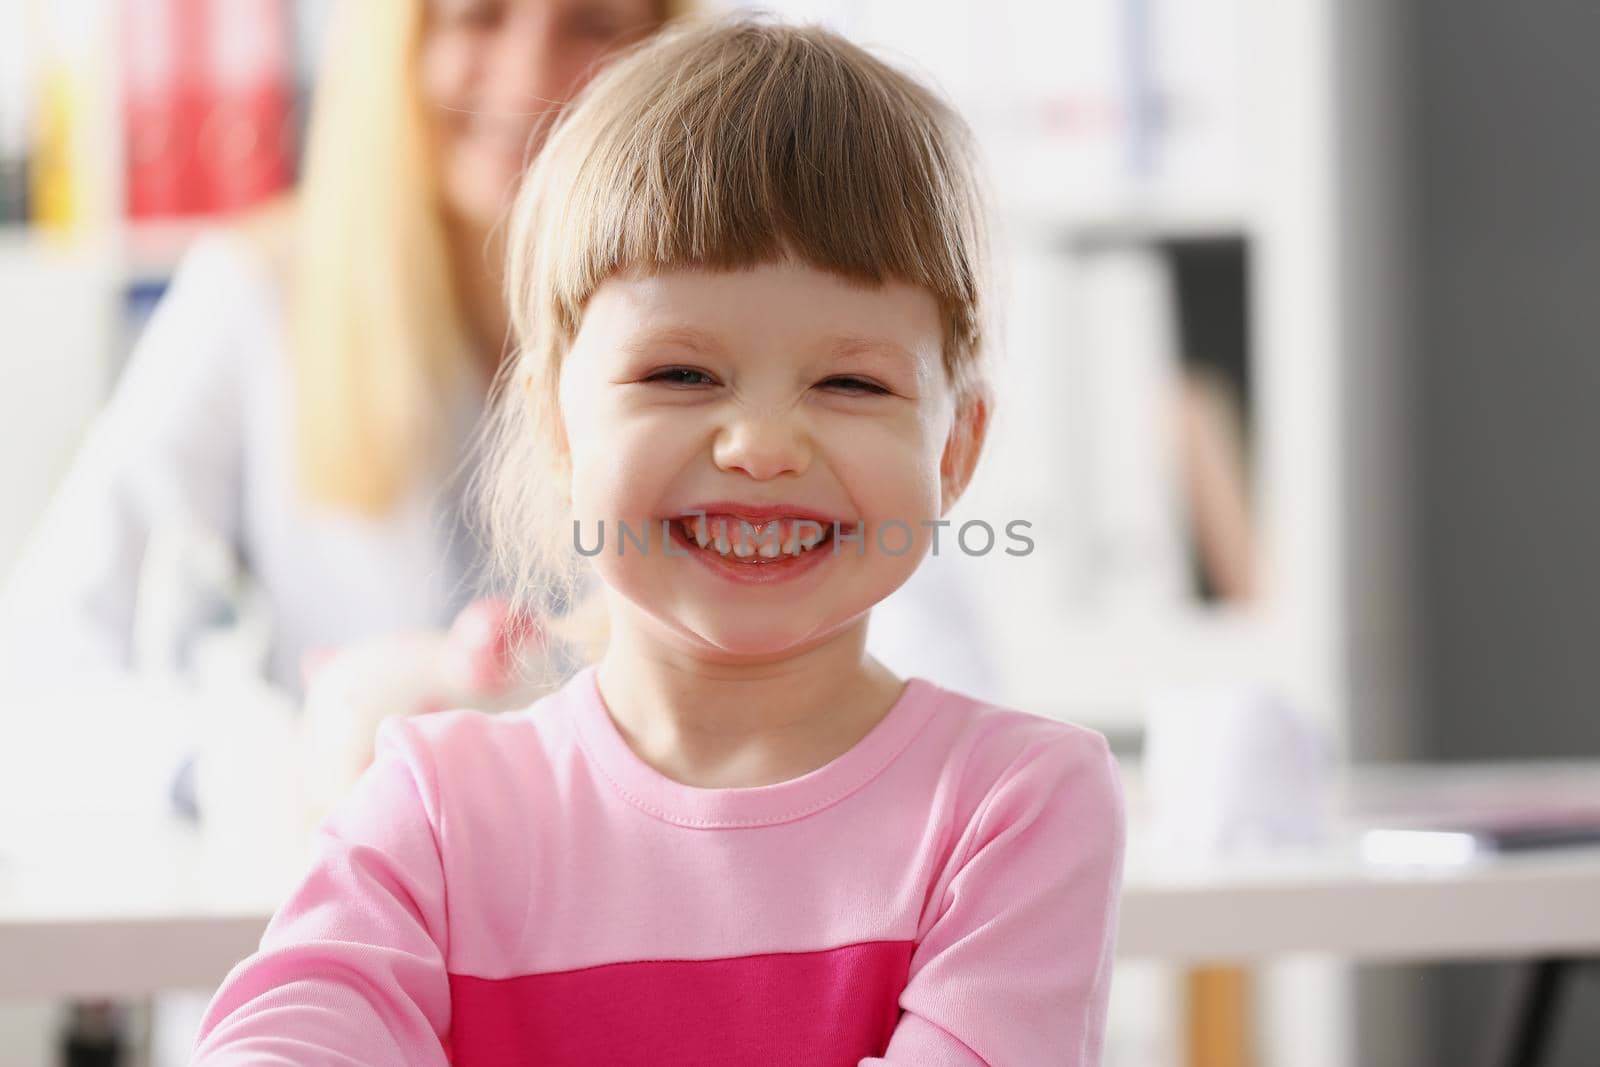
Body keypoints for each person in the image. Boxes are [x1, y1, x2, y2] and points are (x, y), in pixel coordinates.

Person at [189, 15, 1126, 1065]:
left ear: (954, 449)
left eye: (851, 382)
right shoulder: (432, 806)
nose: (763, 444)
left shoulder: (1018, 802)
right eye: (680, 372)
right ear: (551, 419)